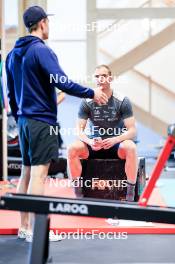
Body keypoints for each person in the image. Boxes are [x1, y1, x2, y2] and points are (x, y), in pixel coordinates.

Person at [5, 6, 108, 242]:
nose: (49, 26)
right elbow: (63, 82)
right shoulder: (41, 51)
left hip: (23, 121)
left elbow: (11, 93)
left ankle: (25, 227)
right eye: (48, 22)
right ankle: (35, 233)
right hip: (40, 122)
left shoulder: (12, 54)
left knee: (26, 174)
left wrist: (21, 113)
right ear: (42, 23)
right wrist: (91, 92)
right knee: (39, 176)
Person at [68, 65, 138, 202]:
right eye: (97, 76)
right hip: (94, 145)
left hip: (116, 146)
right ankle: (78, 194)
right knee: (72, 149)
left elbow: (132, 130)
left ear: (110, 78)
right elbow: (78, 130)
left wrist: (115, 140)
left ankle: (130, 194)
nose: (100, 79)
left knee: (131, 147)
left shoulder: (122, 100)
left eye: (104, 76)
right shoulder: (86, 102)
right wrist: (89, 141)